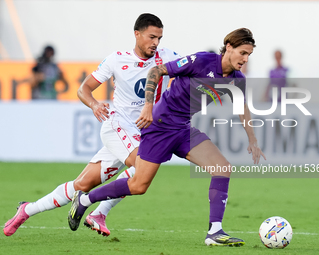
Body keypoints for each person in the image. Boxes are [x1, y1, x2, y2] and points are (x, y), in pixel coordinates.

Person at [68, 28, 266, 246]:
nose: (245, 59)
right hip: (160, 126)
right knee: (138, 186)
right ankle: (85, 199)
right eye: (243, 53)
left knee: (222, 168)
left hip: (182, 128)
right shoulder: (201, 61)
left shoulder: (237, 79)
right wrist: (148, 106)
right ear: (229, 47)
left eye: (249, 55)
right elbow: (155, 71)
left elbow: (242, 108)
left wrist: (253, 140)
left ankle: (214, 232)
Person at [3, 13, 179, 237]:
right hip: (118, 125)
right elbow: (83, 90)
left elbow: (192, 69)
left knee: (82, 184)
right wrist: (95, 105)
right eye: (151, 37)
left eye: (159, 38)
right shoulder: (116, 59)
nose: (155, 43)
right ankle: (98, 212)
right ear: (137, 34)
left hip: (140, 133)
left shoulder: (168, 57)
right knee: (143, 165)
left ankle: (27, 210)